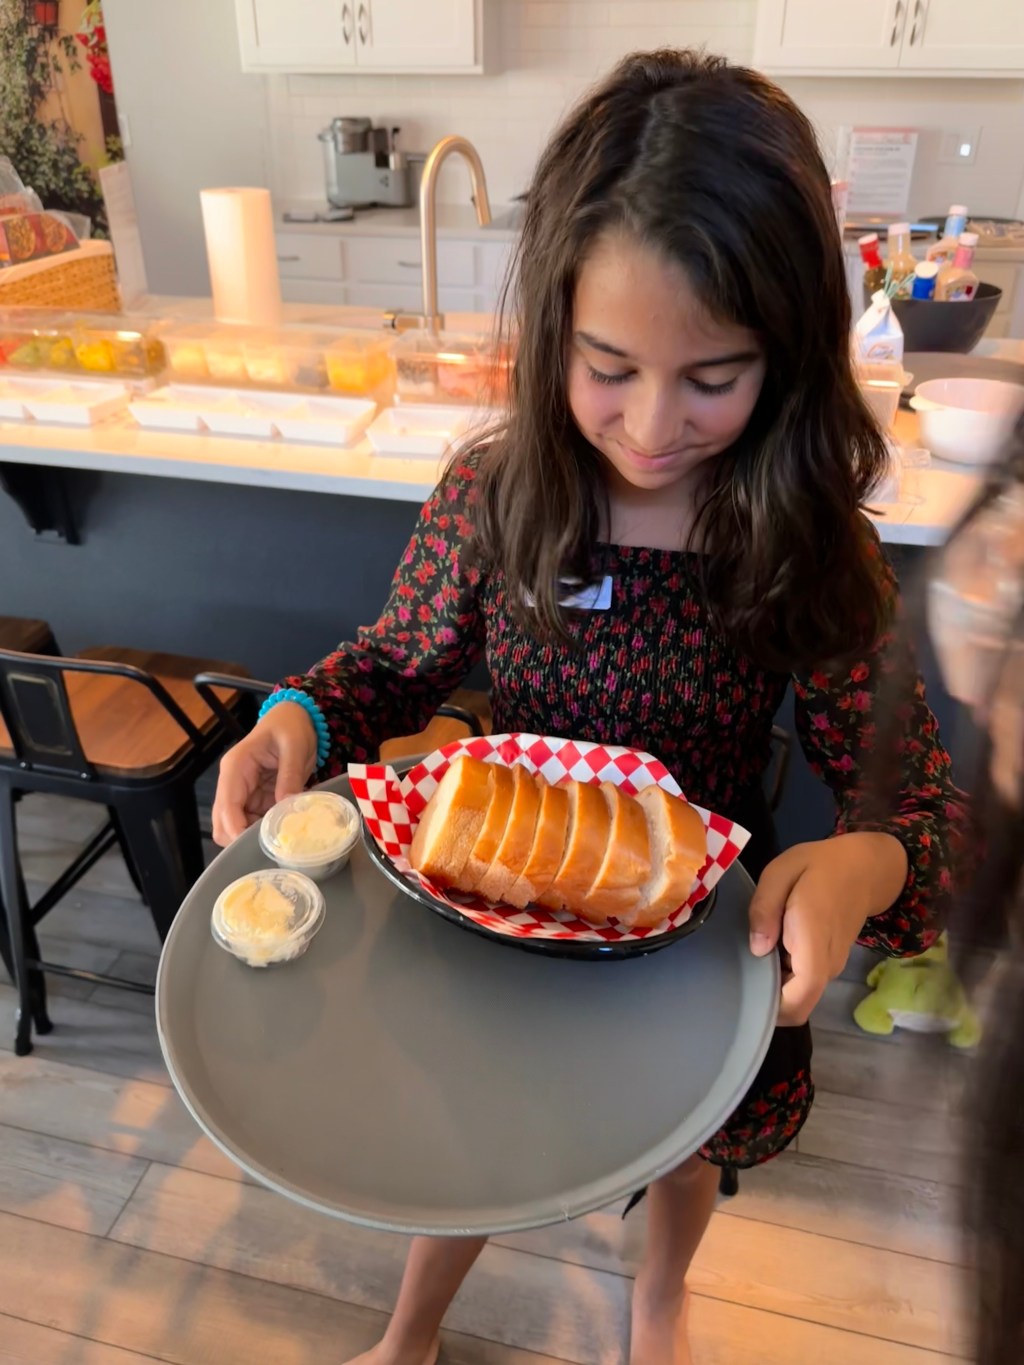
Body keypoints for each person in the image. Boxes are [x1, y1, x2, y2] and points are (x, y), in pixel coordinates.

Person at [213, 49, 968, 1365]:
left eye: (713, 377)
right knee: (472, 1125)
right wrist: (294, 718)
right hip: (493, 908)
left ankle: (659, 1295)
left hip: (688, 949)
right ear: (554, 322)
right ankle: (412, 1328)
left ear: (787, 357)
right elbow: (391, 663)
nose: (651, 425)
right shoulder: (497, 496)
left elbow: (914, 789)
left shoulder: (803, 544)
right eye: (609, 365)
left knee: (679, 1149)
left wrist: (868, 857)